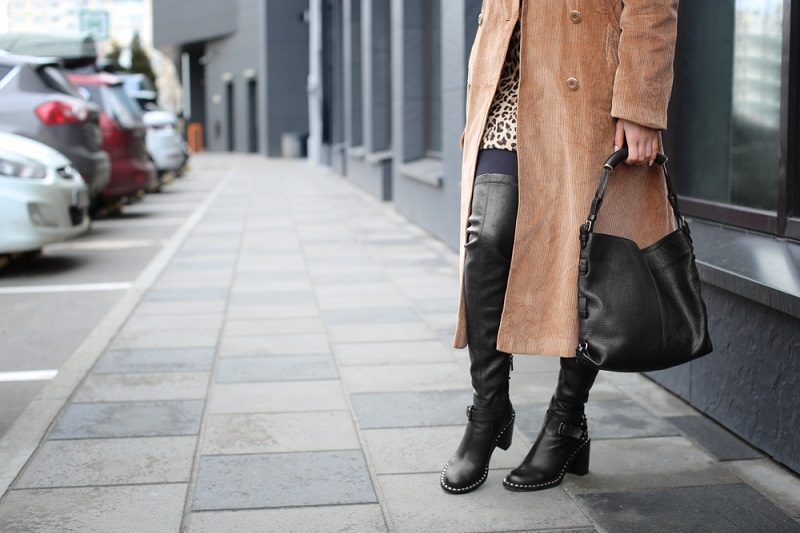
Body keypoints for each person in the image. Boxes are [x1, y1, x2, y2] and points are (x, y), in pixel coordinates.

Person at [440, 0, 680, 494]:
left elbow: (653, 6)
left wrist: (640, 103)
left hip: (585, 80)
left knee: (585, 258)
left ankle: (567, 420)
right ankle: (489, 408)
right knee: (485, 242)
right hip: (508, 78)